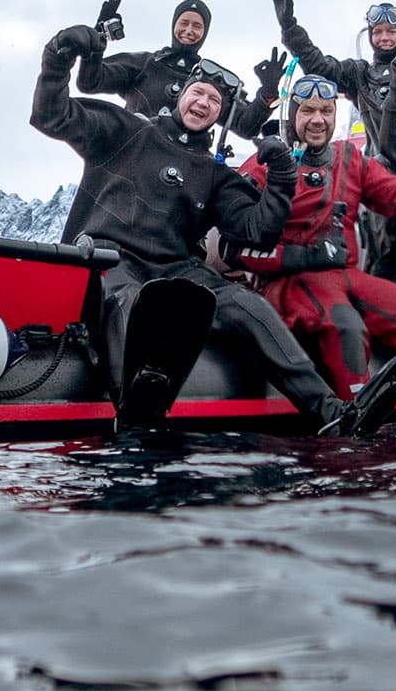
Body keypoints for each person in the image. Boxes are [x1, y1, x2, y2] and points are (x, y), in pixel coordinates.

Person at [32, 28, 359, 433]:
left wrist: (281, 176)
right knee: (133, 299)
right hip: (111, 260)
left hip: (175, 269)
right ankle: (133, 413)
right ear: (181, 94)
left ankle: (327, 410)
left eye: (215, 101)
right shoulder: (125, 130)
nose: (203, 103)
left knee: (244, 303)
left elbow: (257, 230)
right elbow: (51, 115)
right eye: (198, 93)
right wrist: (58, 56)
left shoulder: (215, 174)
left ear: (221, 115)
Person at [228, 77, 396, 414]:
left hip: (347, 276)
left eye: (325, 110)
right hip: (290, 283)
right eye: (307, 111)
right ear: (292, 115)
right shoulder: (267, 163)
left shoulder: (349, 158)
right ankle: (354, 431)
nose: (317, 119)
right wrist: (300, 256)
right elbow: (237, 248)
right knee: (346, 326)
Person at [269, 0, 396, 279]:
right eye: (378, 32)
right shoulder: (359, 74)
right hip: (380, 169)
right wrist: (291, 29)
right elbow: (320, 66)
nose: (384, 38)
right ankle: (383, 281)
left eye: (390, 32)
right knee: (385, 249)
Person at [77, 0, 280, 138]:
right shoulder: (144, 63)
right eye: (184, 23)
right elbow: (90, 82)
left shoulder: (210, 81)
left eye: (197, 26)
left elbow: (246, 126)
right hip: (131, 152)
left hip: (183, 166)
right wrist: (97, 40)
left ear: (205, 32)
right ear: (174, 24)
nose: (189, 30)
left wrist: (267, 93)